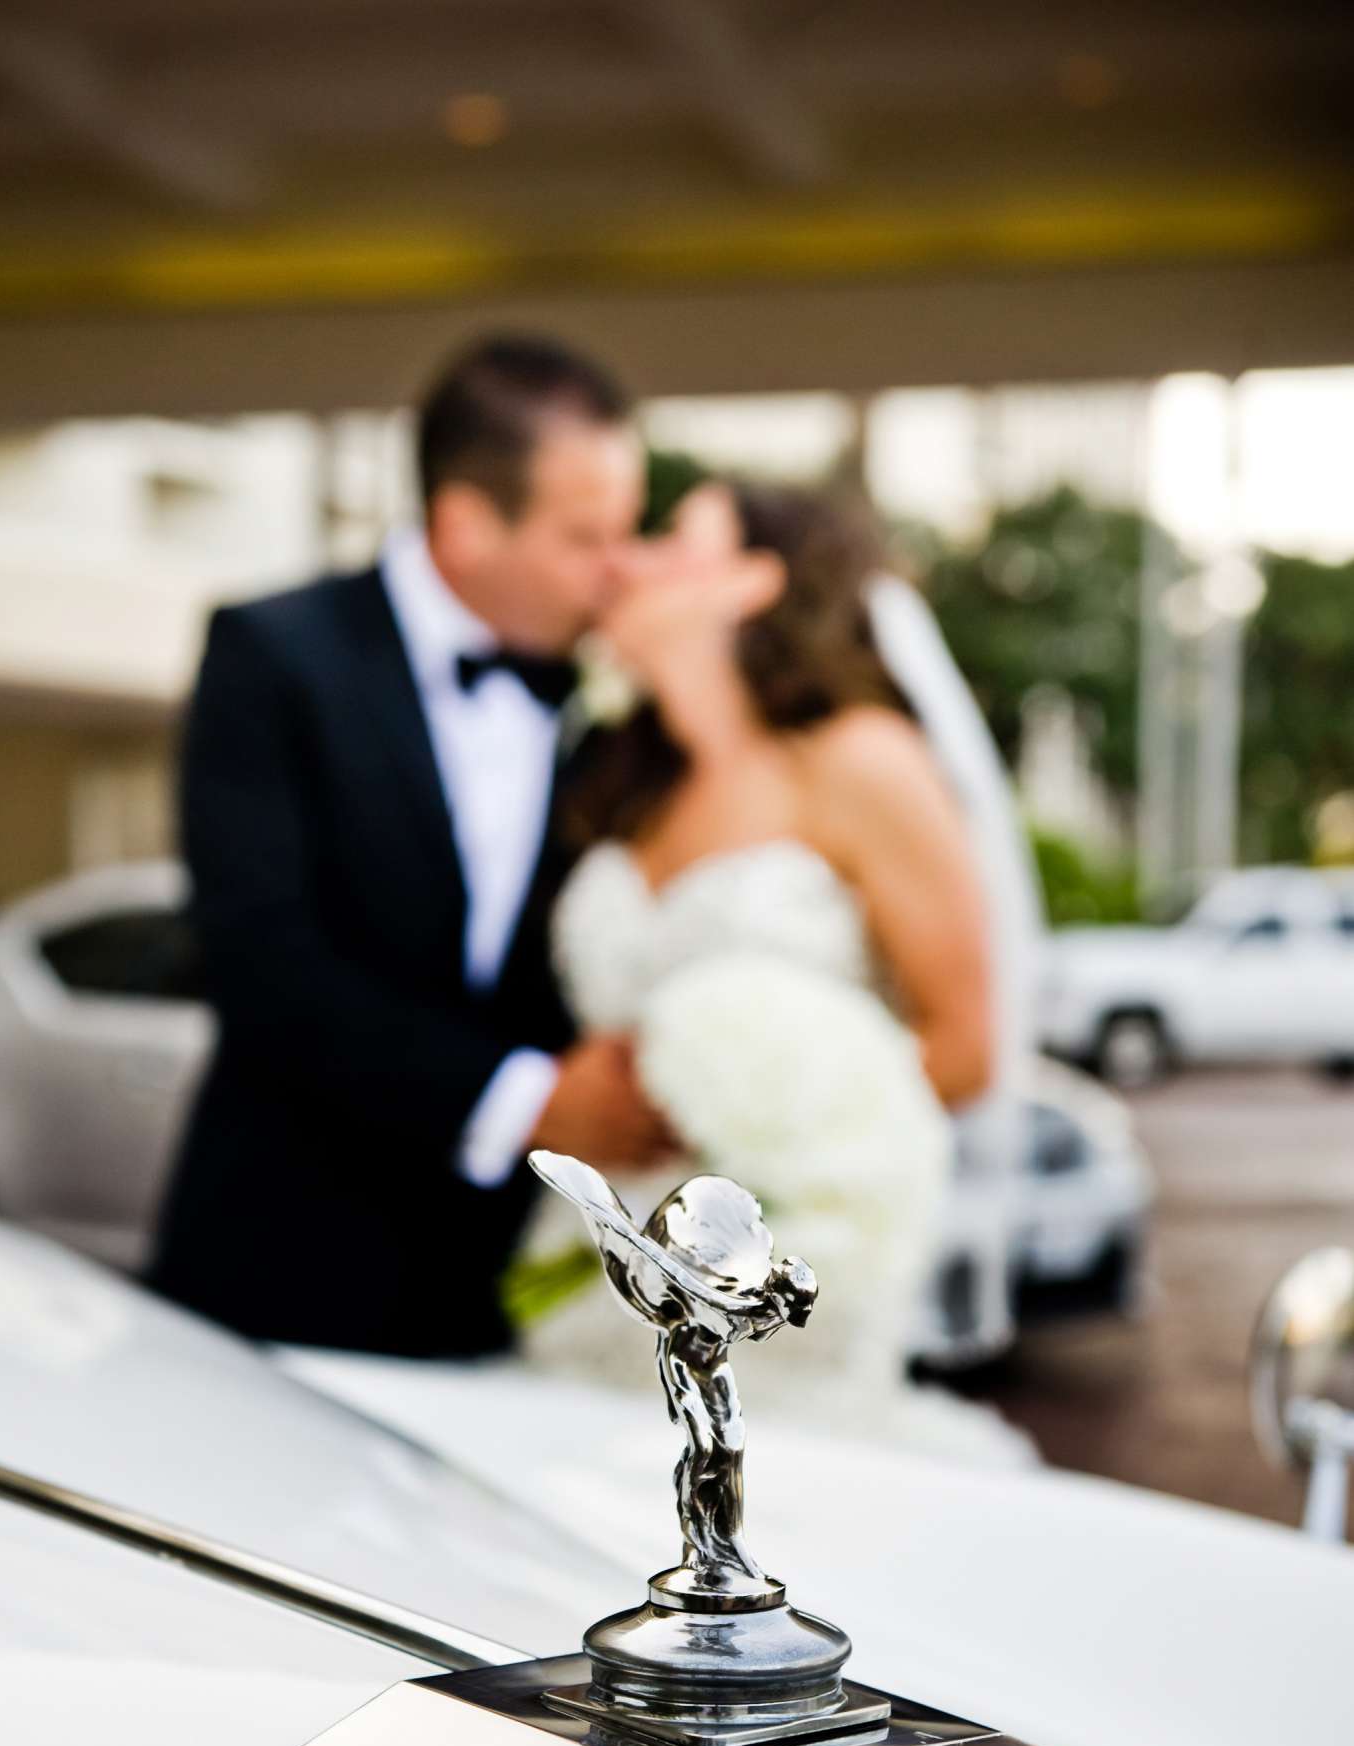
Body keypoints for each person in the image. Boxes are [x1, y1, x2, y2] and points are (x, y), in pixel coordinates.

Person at [148, 334, 674, 1357]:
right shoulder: (273, 656)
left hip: (503, 1296)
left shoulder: (613, 700)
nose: (623, 572)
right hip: (278, 1270)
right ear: (468, 524)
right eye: (587, 538)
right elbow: (259, 963)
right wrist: (525, 1103)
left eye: (630, 531)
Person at [516, 477, 1034, 1466]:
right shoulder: (623, 783)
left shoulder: (860, 762)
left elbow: (969, 1047)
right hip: (584, 1264)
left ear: (757, 580)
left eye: (672, 536)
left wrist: (773, 1146)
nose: (630, 558)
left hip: (766, 1274)